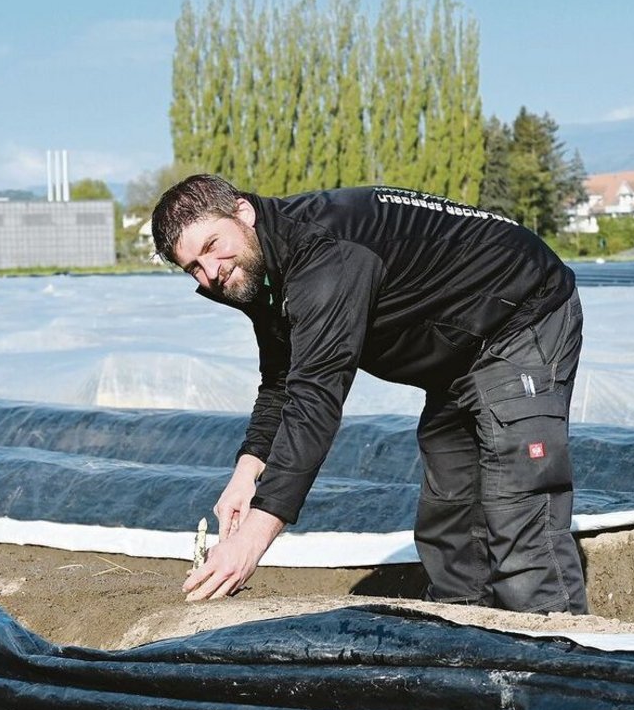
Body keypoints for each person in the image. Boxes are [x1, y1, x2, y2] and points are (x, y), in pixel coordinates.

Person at [151, 175, 587, 614]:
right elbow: (282, 380)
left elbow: (315, 398)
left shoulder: (324, 257)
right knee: (449, 511)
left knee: (518, 505)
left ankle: (554, 650)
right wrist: (246, 476)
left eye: (210, 246)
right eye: (193, 268)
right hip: (456, 351)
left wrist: (251, 540)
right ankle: (464, 634)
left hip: (520, 316)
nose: (211, 273)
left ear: (243, 213)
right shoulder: (260, 266)